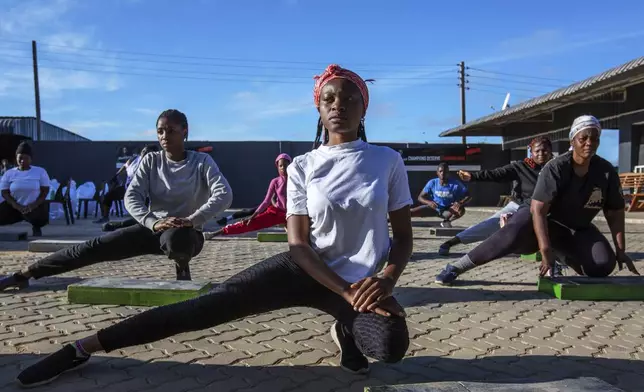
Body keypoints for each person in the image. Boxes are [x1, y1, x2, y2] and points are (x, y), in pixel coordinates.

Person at [14, 64, 413, 388]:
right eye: (329, 98)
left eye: (349, 98)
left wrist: (387, 280)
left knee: (391, 345)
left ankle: (346, 330)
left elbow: (403, 238)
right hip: (307, 270)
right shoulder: (304, 167)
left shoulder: (387, 161)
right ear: (318, 109)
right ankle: (82, 347)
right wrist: (345, 291)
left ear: (364, 108)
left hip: (361, 284)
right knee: (204, 308)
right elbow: (298, 245)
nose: (338, 105)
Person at [0, 109, 233, 292]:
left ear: (185, 131)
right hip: (153, 228)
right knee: (92, 247)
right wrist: (151, 221)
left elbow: (224, 193)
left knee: (177, 237)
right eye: (160, 131)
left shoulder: (201, 161)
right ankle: (25, 274)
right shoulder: (151, 161)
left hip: (188, 235)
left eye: (171, 130)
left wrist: (192, 220)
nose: (164, 136)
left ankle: (182, 267)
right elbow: (132, 196)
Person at [434, 115, 639, 285]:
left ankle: (562, 252)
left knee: (603, 265)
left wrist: (620, 250)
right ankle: (456, 267)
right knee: (510, 234)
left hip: (574, 229)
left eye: (594, 139)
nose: (589, 143)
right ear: (572, 141)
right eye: (583, 138)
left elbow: (614, 211)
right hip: (537, 220)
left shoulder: (605, 171)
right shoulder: (556, 168)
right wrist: (544, 250)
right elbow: (538, 210)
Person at [437, 136, 554, 256]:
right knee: (489, 225)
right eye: (537, 151)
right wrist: (473, 176)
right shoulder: (521, 167)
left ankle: (554, 262)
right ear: (531, 152)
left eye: (544, 150)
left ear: (550, 150)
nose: (541, 154)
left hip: (548, 208)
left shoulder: (557, 167)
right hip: (520, 206)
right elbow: (496, 174)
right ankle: (451, 243)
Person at [208, 153, 291, 238]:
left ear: (290, 166)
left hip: (292, 214)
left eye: (286, 165)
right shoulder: (275, 182)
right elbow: (266, 201)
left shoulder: (295, 180)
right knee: (248, 223)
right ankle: (214, 233)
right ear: (277, 166)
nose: (283, 168)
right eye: (280, 166)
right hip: (277, 213)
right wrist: (252, 216)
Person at [101, 144, 159, 232]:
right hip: (128, 187)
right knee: (108, 196)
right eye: (144, 151)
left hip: (145, 193)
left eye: (148, 152)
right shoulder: (134, 159)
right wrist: (116, 175)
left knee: (143, 215)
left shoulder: (156, 163)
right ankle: (105, 217)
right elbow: (124, 166)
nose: (145, 153)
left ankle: (119, 225)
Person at [0, 142, 50, 237]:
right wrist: (16, 205)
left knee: (40, 218)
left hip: (33, 207)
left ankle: (36, 227)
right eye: (20, 158)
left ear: (31, 159)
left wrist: (33, 205)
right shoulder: (9, 173)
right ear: (16, 158)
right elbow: (4, 192)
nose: (23, 161)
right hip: (14, 206)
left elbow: (44, 191)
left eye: (26, 158)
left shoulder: (40, 171)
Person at [410, 162, 470, 228]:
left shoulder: (455, 184)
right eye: (440, 171)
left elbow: (468, 196)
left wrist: (459, 203)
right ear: (437, 173)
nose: (443, 173)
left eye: (445, 172)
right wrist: (429, 203)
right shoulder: (432, 182)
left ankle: (446, 221)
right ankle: (400, 223)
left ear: (448, 173)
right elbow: (420, 197)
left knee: (461, 210)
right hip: (433, 208)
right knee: (410, 212)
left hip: (448, 211)